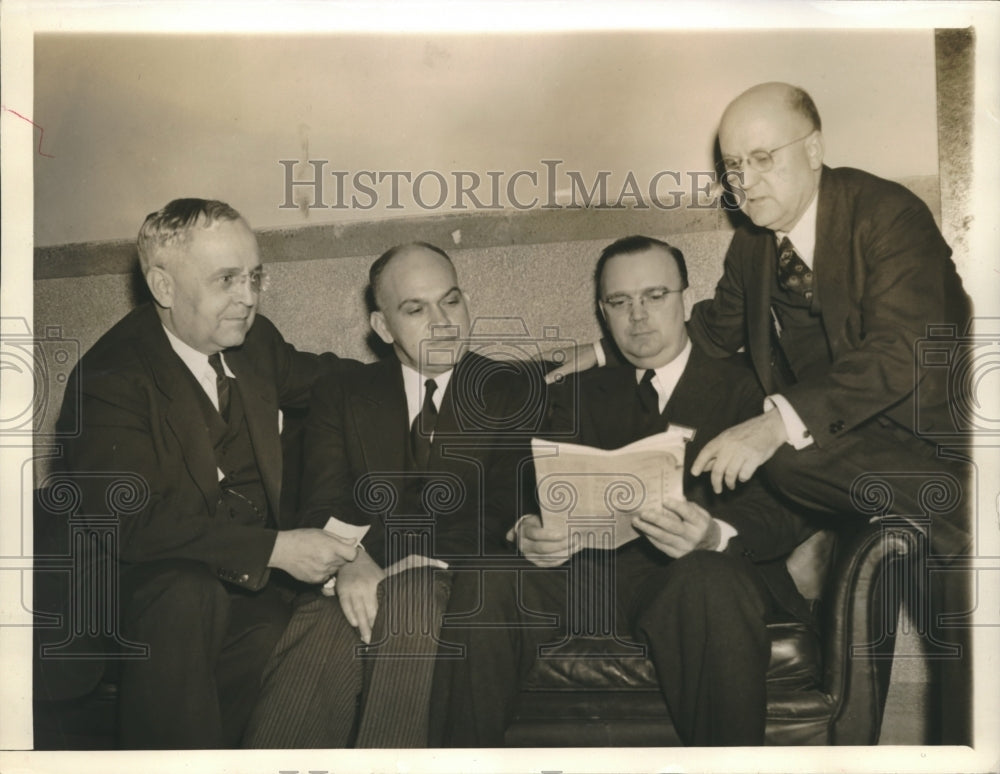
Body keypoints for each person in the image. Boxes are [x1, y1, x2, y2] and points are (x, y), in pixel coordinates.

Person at [433, 236, 812, 747]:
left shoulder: (749, 387)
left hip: (694, 579)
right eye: (619, 302)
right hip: (584, 579)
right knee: (488, 582)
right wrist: (523, 529)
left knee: (706, 580)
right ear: (602, 312)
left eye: (654, 296)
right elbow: (515, 485)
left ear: (684, 299)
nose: (638, 316)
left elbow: (793, 504)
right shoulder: (573, 389)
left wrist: (715, 533)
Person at [56, 198, 359, 749]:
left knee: (284, 627)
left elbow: (342, 385)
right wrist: (276, 549)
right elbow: (133, 526)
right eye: (227, 279)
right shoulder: (108, 378)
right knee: (187, 595)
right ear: (164, 288)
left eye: (254, 277)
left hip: (243, 589)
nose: (248, 298)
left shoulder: (255, 343)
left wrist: (477, 375)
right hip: (141, 593)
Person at [243, 242, 543, 748]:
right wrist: (350, 562)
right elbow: (322, 501)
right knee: (321, 627)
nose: (442, 321)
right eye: (415, 308)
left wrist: (404, 563)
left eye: (451, 300)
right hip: (358, 568)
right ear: (382, 328)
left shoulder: (512, 390)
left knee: (409, 602)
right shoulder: (341, 392)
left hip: (453, 576)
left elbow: (503, 506)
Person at [686, 82, 972, 559]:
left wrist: (779, 422)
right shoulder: (752, 246)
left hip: (941, 448)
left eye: (761, 158)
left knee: (781, 447)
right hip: (854, 455)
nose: (744, 182)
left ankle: (965, 524)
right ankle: (950, 534)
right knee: (784, 464)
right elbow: (714, 332)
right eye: (733, 165)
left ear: (814, 149)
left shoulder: (889, 215)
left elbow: (901, 353)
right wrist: (599, 352)